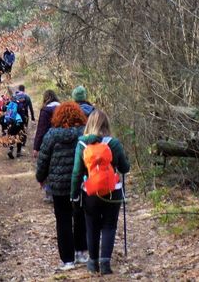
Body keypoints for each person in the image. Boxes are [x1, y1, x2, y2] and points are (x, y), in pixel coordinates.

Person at [72, 109, 130, 275]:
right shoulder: (114, 143)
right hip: (113, 191)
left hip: (90, 192)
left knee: (91, 226)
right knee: (109, 226)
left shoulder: (82, 144)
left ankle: (92, 262)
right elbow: (124, 168)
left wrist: (74, 194)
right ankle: (105, 262)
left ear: (89, 123)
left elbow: (77, 172)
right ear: (107, 124)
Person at [35, 101, 90, 270]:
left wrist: (41, 177)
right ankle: (82, 252)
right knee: (80, 217)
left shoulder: (51, 135)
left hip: (59, 186)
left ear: (57, 117)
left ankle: (68, 260)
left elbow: (43, 159)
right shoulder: (84, 133)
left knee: (63, 220)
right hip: (80, 183)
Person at [0, 88, 29, 159]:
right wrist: (24, 124)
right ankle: (18, 152)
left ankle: (11, 149)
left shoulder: (10, 104)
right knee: (19, 136)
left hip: (10, 122)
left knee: (12, 136)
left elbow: (3, 109)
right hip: (18, 123)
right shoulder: (20, 105)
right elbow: (22, 116)